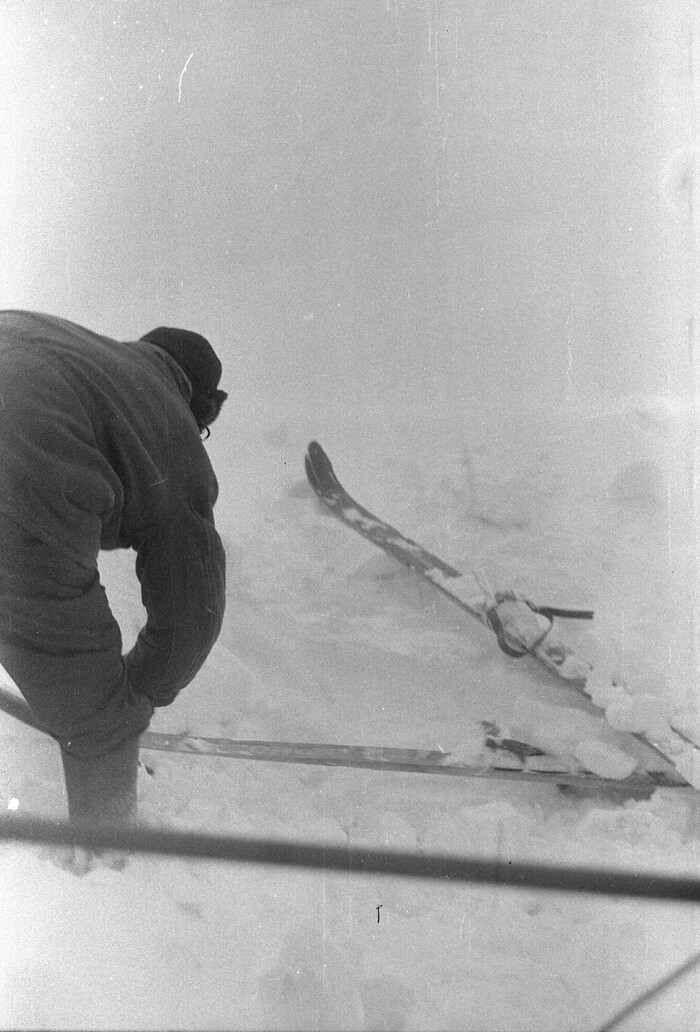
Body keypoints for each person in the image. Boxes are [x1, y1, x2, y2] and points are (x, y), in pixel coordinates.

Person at [0, 311, 227, 833]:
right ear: (200, 406)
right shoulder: (171, 424)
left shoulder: (92, 357)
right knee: (99, 719)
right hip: (23, 468)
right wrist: (136, 692)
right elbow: (192, 609)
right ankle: (109, 869)